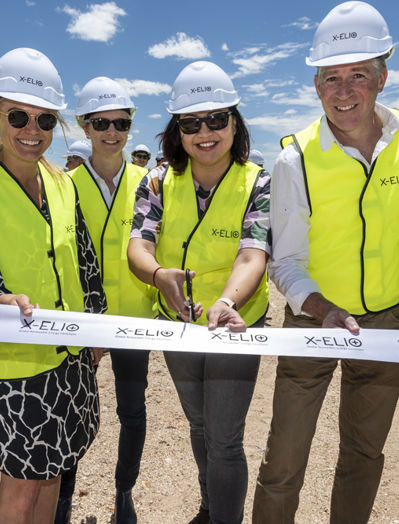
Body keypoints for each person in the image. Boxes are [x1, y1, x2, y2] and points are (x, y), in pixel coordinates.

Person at [251, 3, 399, 523]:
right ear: (316, 86)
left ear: (383, 77)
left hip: (388, 322)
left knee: (364, 456)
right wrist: (321, 308)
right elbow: (287, 263)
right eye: (331, 78)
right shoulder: (294, 157)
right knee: (284, 459)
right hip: (311, 321)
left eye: (358, 75)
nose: (344, 91)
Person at [0, 47, 105, 524]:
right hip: (14, 365)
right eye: (18, 116)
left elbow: (86, 265)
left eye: (45, 120)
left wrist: (96, 331)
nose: (32, 131)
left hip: (70, 356)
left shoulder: (62, 184)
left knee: (56, 468)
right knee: (22, 478)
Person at [127, 60, 269, 524]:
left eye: (216, 119)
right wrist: (156, 275)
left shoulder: (259, 182)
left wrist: (227, 303)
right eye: (191, 123)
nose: (205, 132)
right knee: (199, 424)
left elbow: (253, 254)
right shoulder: (158, 183)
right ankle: (210, 506)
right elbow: (139, 245)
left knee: (225, 436)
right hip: (179, 328)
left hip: (233, 326)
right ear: (177, 129)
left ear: (235, 122)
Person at [58, 76, 153, 524]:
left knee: (132, 412)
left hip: (135, 317)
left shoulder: (151, 182)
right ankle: (62, 500)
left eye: (121, 122)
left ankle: (124, 495)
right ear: (85, 125)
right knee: (71, 415)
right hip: (83, 323)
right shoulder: (64, 185)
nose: (112, 132)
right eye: (101, 123)